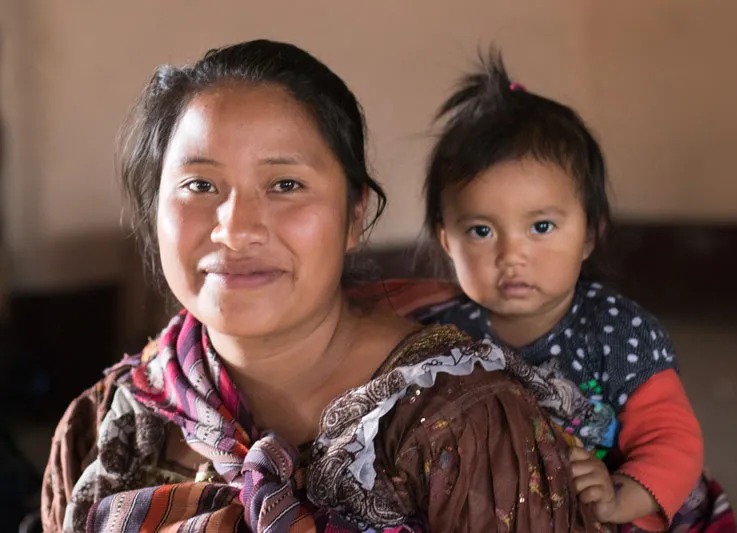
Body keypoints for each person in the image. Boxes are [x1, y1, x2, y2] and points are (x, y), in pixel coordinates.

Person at [41, 40, 609, 533]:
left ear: (354, 216)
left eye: (285, 183)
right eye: (199, 184)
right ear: (154, 210)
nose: (236, 230)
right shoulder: (108, 423)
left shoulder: (458, 425)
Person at [406, 50, 736, 532]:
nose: (511, 254)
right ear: (444, 239)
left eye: (541, 226)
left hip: (620, 508)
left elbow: (673, 438)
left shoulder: (619, 332)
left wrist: (622, 495)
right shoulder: (442, 337)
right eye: (481, 231)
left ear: (588, 234)